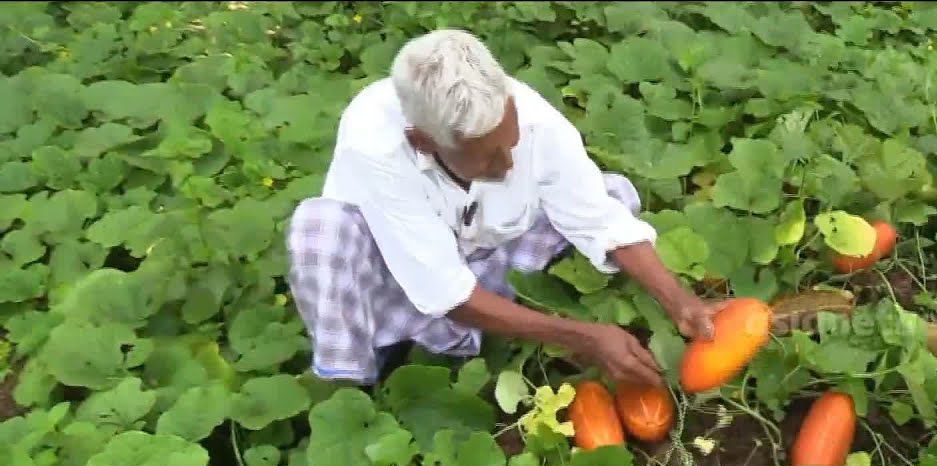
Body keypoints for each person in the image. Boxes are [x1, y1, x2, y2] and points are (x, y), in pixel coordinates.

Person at [285, 29, 724, 389]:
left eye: (510, 142)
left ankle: (509, 313)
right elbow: (446, 293)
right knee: (319, 230)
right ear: (424, 141)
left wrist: (678, 300)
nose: (508, 163)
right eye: (487, 158)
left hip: (493, 255)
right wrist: (584, 337)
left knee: (613, 194)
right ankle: (358, 378)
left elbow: (596, 218)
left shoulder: (532, 117)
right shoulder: (375, 144)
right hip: (397, 277)